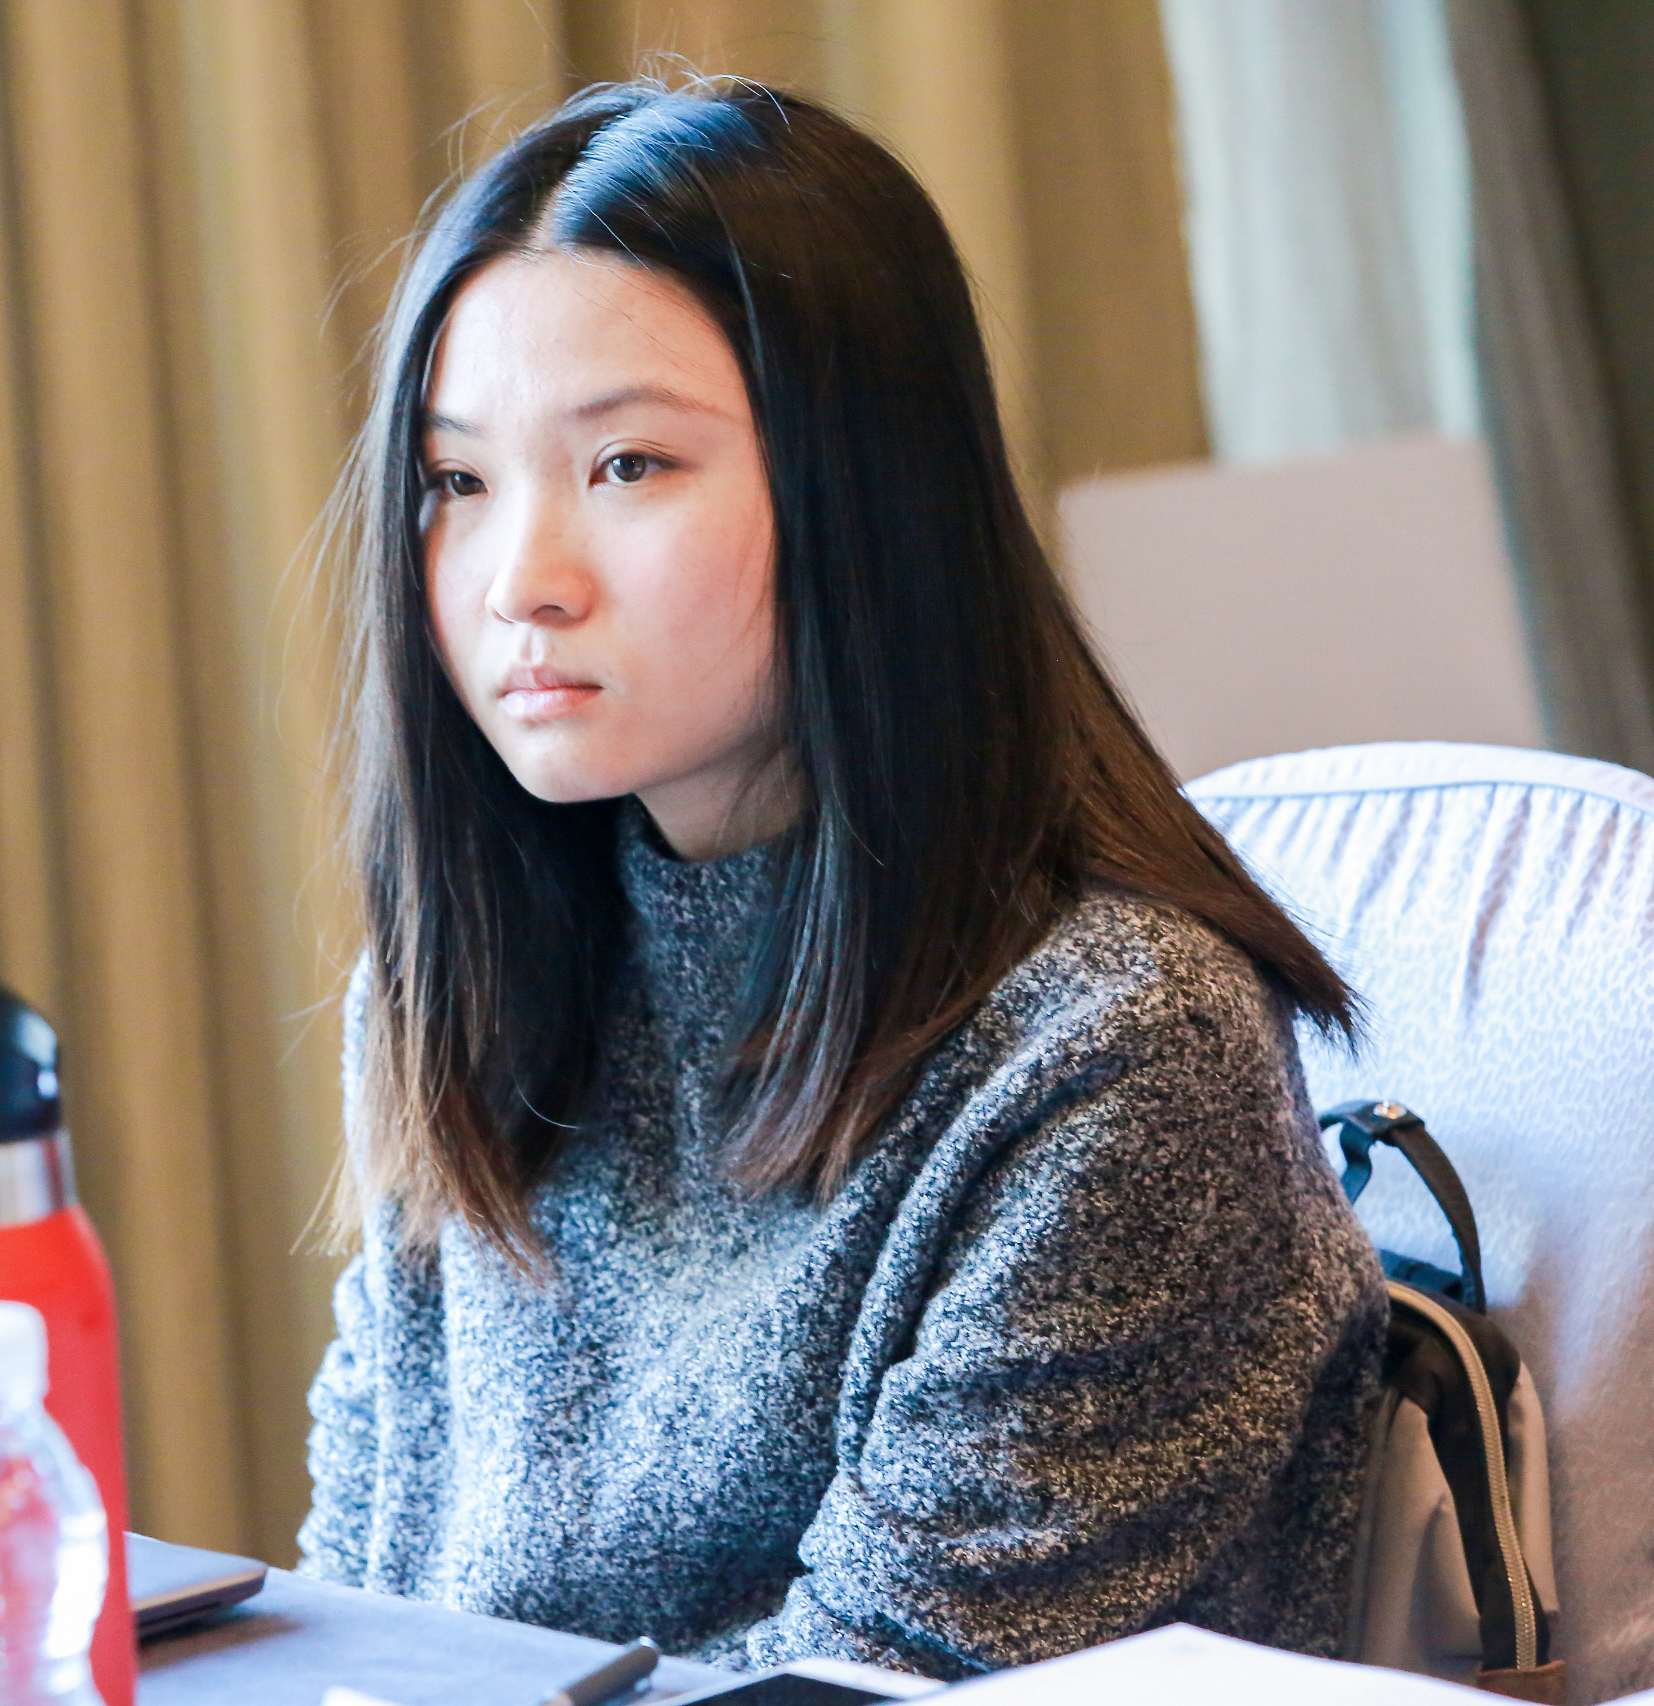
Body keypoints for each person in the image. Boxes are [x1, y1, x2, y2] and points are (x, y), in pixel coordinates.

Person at [298, 78, 1386, 1680]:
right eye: (458, 482)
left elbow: (876, 1681)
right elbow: (356, 1606)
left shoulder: (1117, 1054)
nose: (521, 579)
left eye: (628, 465)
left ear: (865, 490)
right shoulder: (458, 988)